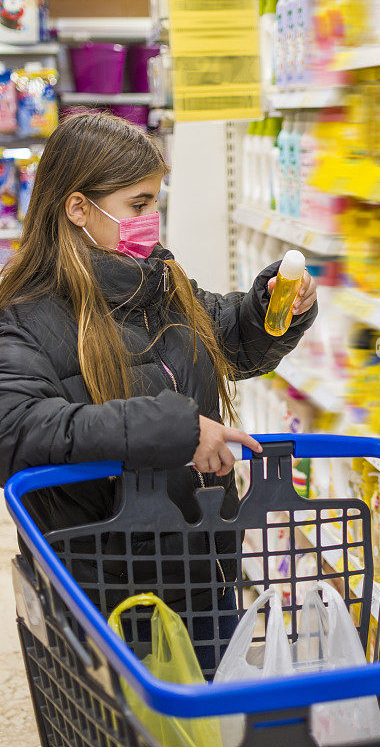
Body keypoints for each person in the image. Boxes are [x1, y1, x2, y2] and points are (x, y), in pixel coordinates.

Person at [0, 111, 317, 674]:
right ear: (77, 208)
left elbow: (226, 336)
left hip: (204, 572)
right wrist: (177, 430)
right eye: (138, 204)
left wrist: (269, 308)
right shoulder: (23, 319)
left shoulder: (157, 282)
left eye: (155, 202)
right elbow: (20, 430)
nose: (152, 220)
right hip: (106, 598)